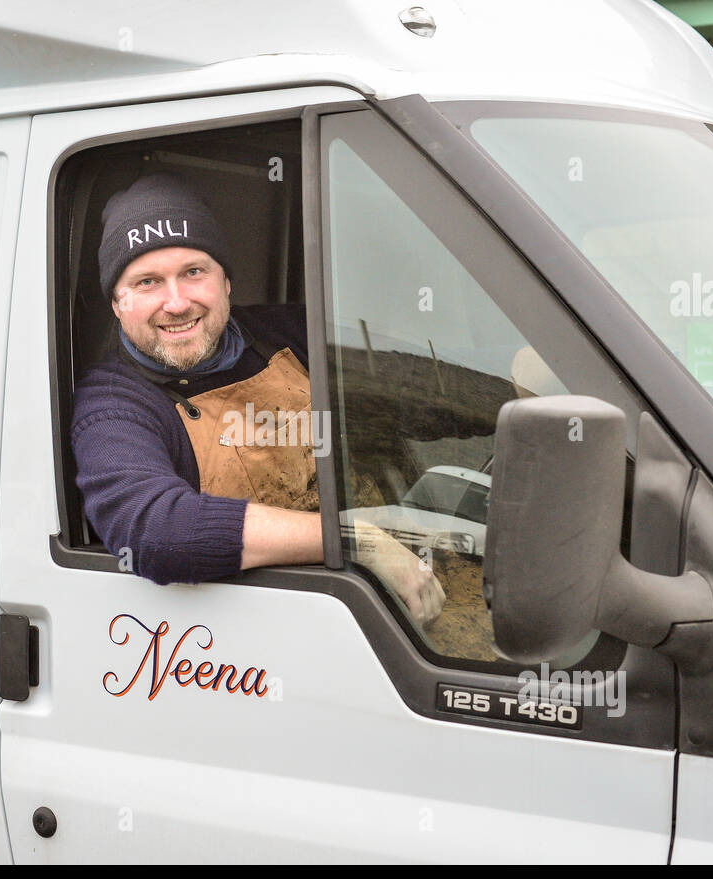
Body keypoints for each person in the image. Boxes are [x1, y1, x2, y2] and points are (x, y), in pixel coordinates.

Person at [71, 173, 444, 625]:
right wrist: (356, 541)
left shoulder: (283, 334)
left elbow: (407, 386)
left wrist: (518, 388)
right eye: (148, 282)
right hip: (255, 642)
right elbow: (155, 531)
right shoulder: (113, 405)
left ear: (225, 281)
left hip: (380, 612)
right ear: (117, 302)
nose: (176, 302)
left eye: (193, 272)